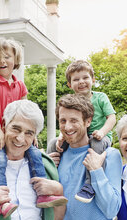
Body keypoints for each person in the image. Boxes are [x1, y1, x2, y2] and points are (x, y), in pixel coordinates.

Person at [0, 37, 65, 218]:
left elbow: (27, 111)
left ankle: (42, 194)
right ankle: (3, 201)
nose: (2, 61)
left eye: (6, 56)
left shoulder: (20, 85)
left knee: (35, 155)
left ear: (16, 60)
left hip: (15, 131)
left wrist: (31, 132)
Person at [48, 94, 122, 220]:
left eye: (74, 120)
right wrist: (46, 169)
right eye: (63, 121)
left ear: (88, 121)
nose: (67, 127)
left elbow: (111, 210)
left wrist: (96, 171)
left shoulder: (109, 155)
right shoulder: (57, 155)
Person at [48, 60, 116, 203]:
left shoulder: (100, 97)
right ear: (69, 84)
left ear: (93, 79)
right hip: (78, 136)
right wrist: (61, 136)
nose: (81, 82)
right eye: (76, 79)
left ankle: (89, 185)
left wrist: (102, 132)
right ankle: (50, 177)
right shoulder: (70, 102)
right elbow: (66, 122)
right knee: (54, 143)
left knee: (95, 144)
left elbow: (112, 118)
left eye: (85, 78)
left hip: (100, 136)